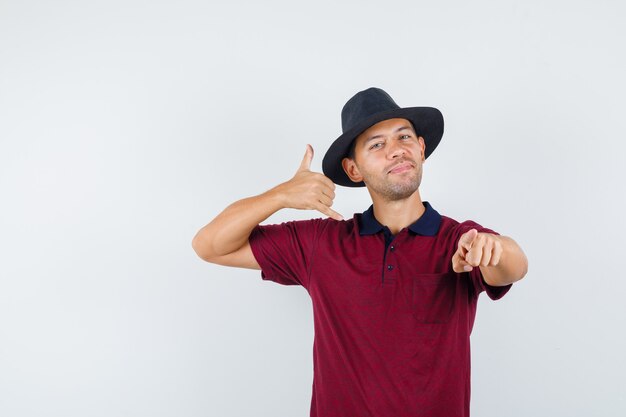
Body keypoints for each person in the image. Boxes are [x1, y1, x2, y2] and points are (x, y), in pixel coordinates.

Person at [192, 87, 528, 417]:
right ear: (354, 169)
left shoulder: (459, 239)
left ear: (421, 148)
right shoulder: (320, 244)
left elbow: (514, 266)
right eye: (377, 144)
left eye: (404, 137)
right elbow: (210, 245)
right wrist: (280, 196)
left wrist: (494, 248)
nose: (396, 150)